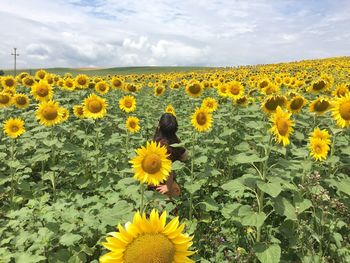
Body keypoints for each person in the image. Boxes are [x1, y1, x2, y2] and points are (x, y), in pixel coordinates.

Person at [152, 113, 188, 197]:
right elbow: (185, 156)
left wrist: (167, 186)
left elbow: (169, 168)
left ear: (159, 126)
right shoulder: (175, 142)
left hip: (160, 184)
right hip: (169, 184)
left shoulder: (159, 144)